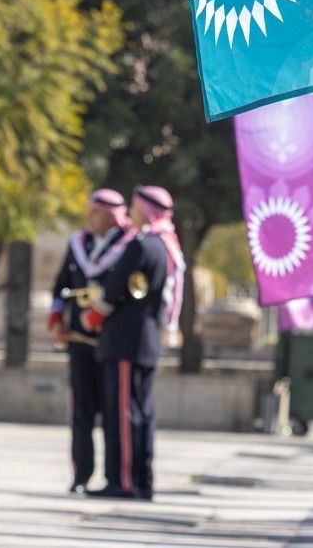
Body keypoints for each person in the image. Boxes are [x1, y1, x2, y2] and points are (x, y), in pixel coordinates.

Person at [81, 185, 185, 501]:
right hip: (144, 340)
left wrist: (92, 316)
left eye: (136, 208)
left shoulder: (143, 245)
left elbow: (114, 289)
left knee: (122, 415)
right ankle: (141, 479)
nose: (131, 213)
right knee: (141, 414)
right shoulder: (164, 245)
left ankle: (122, 481)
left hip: (125, 340)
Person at [48, 188, 132, 493]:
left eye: (95, 212)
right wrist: (56, 318)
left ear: (112, 216)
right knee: (81, 411)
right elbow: (61, 285)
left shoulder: (128, 244)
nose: (89, 217)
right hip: (79, 340)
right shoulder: (78, 243)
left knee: (112, 412)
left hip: (111, 341)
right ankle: (81, 474)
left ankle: (113, 476)